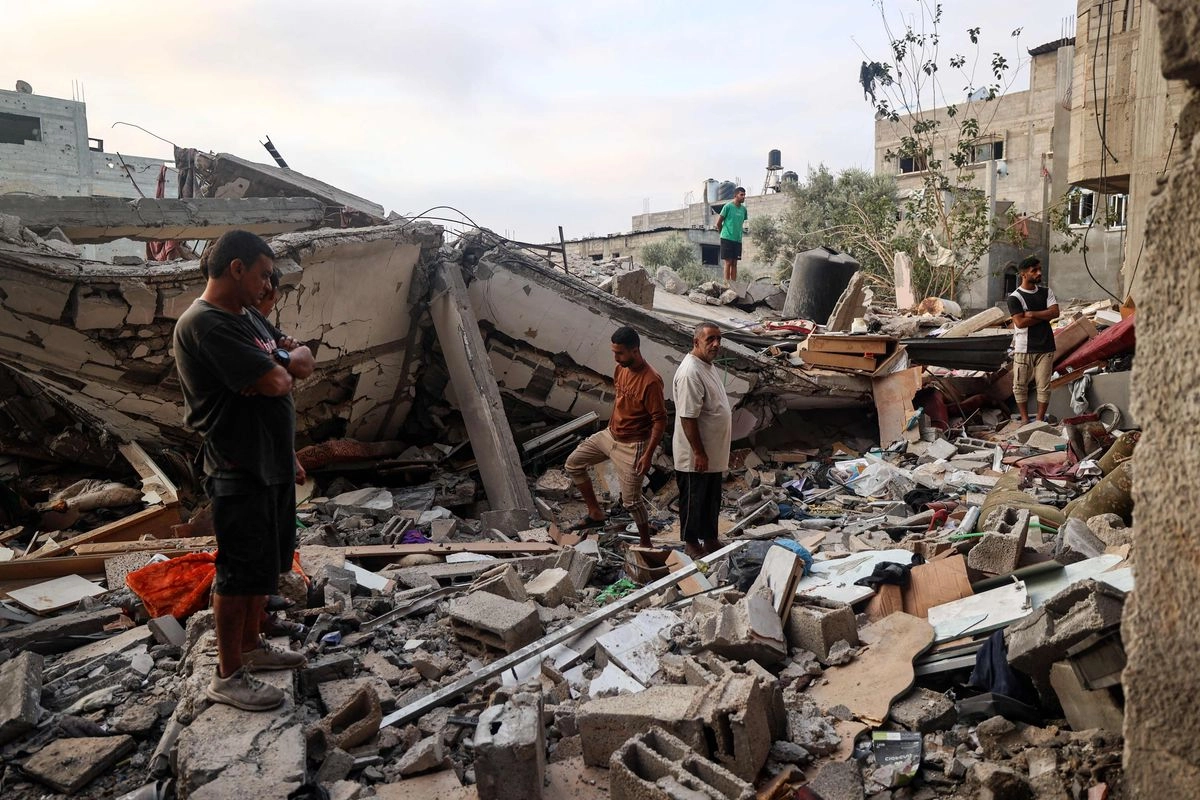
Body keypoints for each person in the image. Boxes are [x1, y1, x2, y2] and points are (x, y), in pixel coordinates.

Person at [173, 230, 316, 711]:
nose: (267, 285)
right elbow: (280, 378)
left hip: (270, 460)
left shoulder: (249, 316)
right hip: (239, 465)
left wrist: (279, 360)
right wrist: (281, 362)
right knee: (237, 573)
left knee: (263, 568)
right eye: (262, 274)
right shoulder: (208, 324)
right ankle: (228, 673)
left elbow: (303, 362)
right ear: (236, 268)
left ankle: (253, 646)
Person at [564, 326, 667, 548]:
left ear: (634, 350)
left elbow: (660, 420)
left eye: (620, 353)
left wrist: (648, 455)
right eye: (614, 352)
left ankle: (646, 543)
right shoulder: (620, 369)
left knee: (631, 501)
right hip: (610, 435)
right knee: (573, 464)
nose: (616, 357)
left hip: (633, 445)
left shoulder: (651, 381)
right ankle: (595, 513)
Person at [672, 322, 732, 558]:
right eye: (710, 340)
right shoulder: (690, 372)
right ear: (696, 342)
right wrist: (698, 452)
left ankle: (709, 539)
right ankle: (691, 543)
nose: (716, 344)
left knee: (710, 499)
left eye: (719, 339)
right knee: (694, 499)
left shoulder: (707, 365)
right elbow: (688, 417)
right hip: (695, 454)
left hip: (712, 453)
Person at [1006, 255, 1059, 423]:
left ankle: (1039, 420)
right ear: (1023, 274)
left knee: (1044, 386)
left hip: (1046, 346)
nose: (1039, 273)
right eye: (1034, 271)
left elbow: (1055, 313)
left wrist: (1033, 314)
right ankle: (1024, 419)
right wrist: (1045, 316)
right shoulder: (1015, 297)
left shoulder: (1046, 292)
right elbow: (1020, 323)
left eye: (1039, 269)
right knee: (1020, 386)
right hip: (1024, 347)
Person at [716, 187, 748, 282]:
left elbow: (741, 222)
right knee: (728, 262)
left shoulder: (744, 210)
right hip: (727, 238)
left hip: (737, 239)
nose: (743, 197)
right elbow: (718, 223)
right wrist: (723, 234)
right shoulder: (728, 206)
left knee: (734, 263)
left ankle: (733, 285)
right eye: (741, 195)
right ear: (735, 195)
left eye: (744, 195)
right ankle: (726, 284)